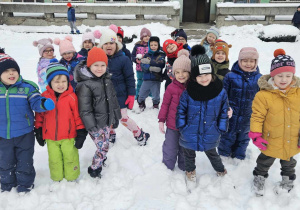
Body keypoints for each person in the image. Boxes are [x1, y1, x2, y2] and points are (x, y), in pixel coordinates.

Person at [176, 45, 229, 191]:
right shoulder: (188, 92)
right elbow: (181, 110)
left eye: (206, 74)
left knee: (212, 153)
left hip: (211, 130)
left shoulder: (220, 92)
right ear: (194, 77)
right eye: (199, 76)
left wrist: (221, 127)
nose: (204, 78)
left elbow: (224, 110)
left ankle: (220, 170)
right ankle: (190, 171)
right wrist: (182, 126)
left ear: (212, 74)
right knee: (188, 154)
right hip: (190, 131)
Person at [0, 53, 55, 193]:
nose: (11, 73)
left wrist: (43, 103)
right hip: (2, 134)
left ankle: (25, 186)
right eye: (6, 71)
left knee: (25, 162)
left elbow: (35, 101)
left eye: (14, 70)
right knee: (4, 162)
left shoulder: (27, 88)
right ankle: (7, 185)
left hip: (24, 133)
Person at [249, 49, 299, 196]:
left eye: (288, 75)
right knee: (264, 161)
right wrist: (256, 135)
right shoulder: (263, 95)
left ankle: (287, 180)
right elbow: (257, 116)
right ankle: (259, 178)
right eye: (279, 75)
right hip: (270, 138)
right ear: (273, 76)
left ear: (293, 76)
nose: (284, 79)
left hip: (292, 138)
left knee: (289, 162)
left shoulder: (298, 93)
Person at [94, 24, 150, 145]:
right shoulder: (99, 61)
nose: (109, 46)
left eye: (111, 43)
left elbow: (130, 78)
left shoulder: (124, 59)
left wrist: (131, 95)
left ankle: (139, 133)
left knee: (123, 118)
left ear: (116, 45)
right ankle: (111, 133)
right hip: (104, 97)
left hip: (120, 96)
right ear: (101, 46)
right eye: (106, 43)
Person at [34, 60, 87, 189]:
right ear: (50, 82)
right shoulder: (45, 97)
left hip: (69, 136)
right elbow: (40, 115)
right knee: (54, 159)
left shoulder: (72, 97)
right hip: (50, 137)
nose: (60, 85)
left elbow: (77, 116)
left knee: (70, 157)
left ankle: (72, 177)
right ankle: (56, 178)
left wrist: (81, 132)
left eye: (64, 81)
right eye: (56, 81)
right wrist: (39, 130)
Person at [75, 47, 121, 178]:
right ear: (89, 66)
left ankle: (101, 157)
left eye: (103, 65)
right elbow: (85, 109)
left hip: (106, 121)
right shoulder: (85, 85)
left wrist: (116, 116)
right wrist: (91, 126)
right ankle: (95, 168)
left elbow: (113, 100)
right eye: (96, 65)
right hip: (94, 124)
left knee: (104, 144)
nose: (99, 68)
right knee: (103, 147)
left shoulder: (106, 80)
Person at [218, 47, 262, 160]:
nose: (248, 64)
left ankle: (239, 155)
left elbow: (262, 99)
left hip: (248, 115)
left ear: (256, 62)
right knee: (227, 135)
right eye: (245, 60)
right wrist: (224, 108)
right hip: (231, 114)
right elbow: (223, 94)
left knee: (244, 137)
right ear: (239, 61)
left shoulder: (259, 78)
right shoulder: (230, 76)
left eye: (251, 61)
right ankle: (224, 154)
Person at [158, 49, 190, 171]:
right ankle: (167, 166)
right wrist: (161, 120)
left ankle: (184, 165)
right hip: (172, 125)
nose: (181, 75)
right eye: (177, 72)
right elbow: (165, 105)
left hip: (187, 126)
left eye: (184, 71)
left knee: (185, 148)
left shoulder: (193, 88)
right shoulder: (171, 88)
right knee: (170, 147)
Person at [137, 36, 165, 112]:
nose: (153, 47)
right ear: (149, 45)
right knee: (142, 93)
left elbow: (161, 64)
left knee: (156, 94)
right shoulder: (146, 55)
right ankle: (141, 104)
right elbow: (142, 65)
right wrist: (150, 68)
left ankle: (155, 105)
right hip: (146, 78)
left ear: (158, 45)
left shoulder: (161, 54)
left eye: (155, 45)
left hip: (156, 78)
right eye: (151, 45)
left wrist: (149, 62)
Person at [131, 27, 151, 99]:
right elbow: (132, 56)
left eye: (149, 36)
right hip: (139, 68)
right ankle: (138, 95)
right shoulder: (137, 46)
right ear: (142, 37)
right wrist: (136, 60)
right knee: (140, 82)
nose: (147, 38)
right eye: (145, 36)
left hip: (149, 68)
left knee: (149, 82)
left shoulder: (152, 45)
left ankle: (150, 96)